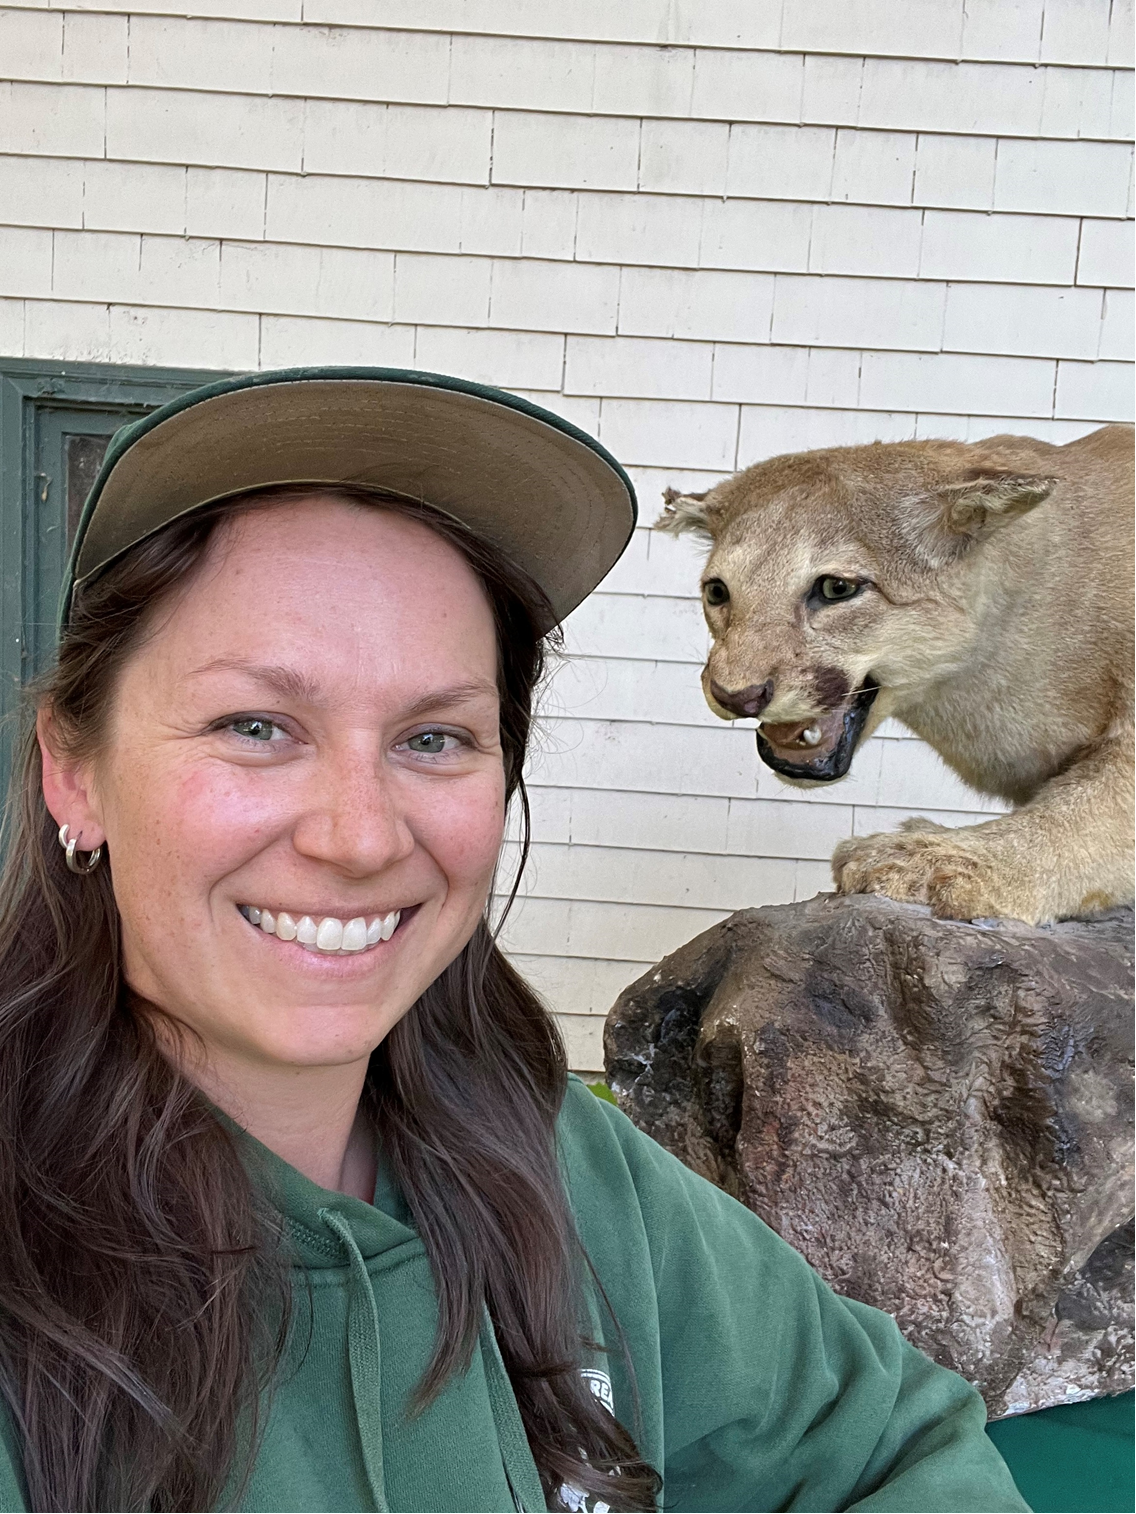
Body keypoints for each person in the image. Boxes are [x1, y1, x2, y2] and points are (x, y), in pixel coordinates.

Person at [0, 368, 1029, 1514]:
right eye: (257, 725)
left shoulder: (557, 1163)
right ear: (73, 769)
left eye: (434, 735)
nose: (358, 835)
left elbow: (895, 1448)